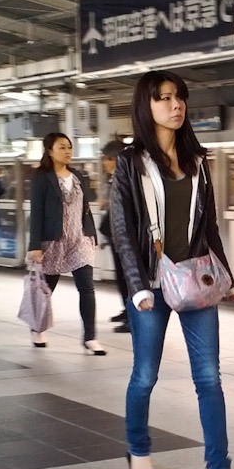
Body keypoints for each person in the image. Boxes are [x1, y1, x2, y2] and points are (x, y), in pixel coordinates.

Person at [110, 70, 234, 469]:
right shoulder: (131, 164)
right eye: (165, 98)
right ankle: (137, 449)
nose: (176, 105)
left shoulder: (196, 161)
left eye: (179, 98)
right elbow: (121, 229)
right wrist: (136, 285)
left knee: (209, 377)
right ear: (146, 106)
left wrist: (224, 275)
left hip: (194, 281)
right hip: (150, 288)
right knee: (145, 375)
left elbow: (209, 227)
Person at [27, 132, 104, 355]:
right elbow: (37, 212)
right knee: (46, 289)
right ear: (49, 151)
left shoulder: (78, 176)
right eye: (61, 147)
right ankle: (38, 328)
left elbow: (85, 208)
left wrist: (92, 236)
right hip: (53, 240)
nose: (67, 151)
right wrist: (35, 246)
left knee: (87, 288)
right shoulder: (42, 177)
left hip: (80, 240)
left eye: (69, 147)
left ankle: (90, 337)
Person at [99, 139, 130, 333]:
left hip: (125, 237)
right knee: (121, 276)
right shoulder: (114, 178)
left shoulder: (126, 179)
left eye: (108, 158)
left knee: (128, 277)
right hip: (116, 236)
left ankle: (133, 316)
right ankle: (127, 310)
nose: (105, 162)